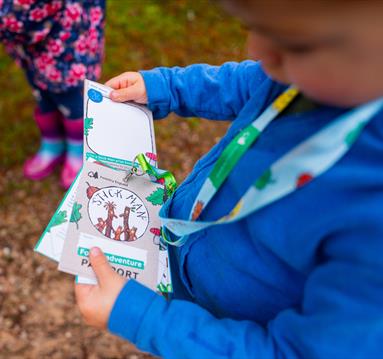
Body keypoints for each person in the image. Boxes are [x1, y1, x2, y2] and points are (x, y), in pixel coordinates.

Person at [75, 0, 383, 358]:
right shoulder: (307, 75)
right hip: (190, 256)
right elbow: (243, 82)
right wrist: (165, 87)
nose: (258, 51)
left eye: (295, 44)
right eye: (254, 27)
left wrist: (144, 319)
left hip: (228, 327)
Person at [0, 0, 105, 188]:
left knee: (69, 97)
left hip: (65, 38)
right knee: (40, 90)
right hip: (30, 39)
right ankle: (52, 142)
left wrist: (6, 17)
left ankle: (77, 149)